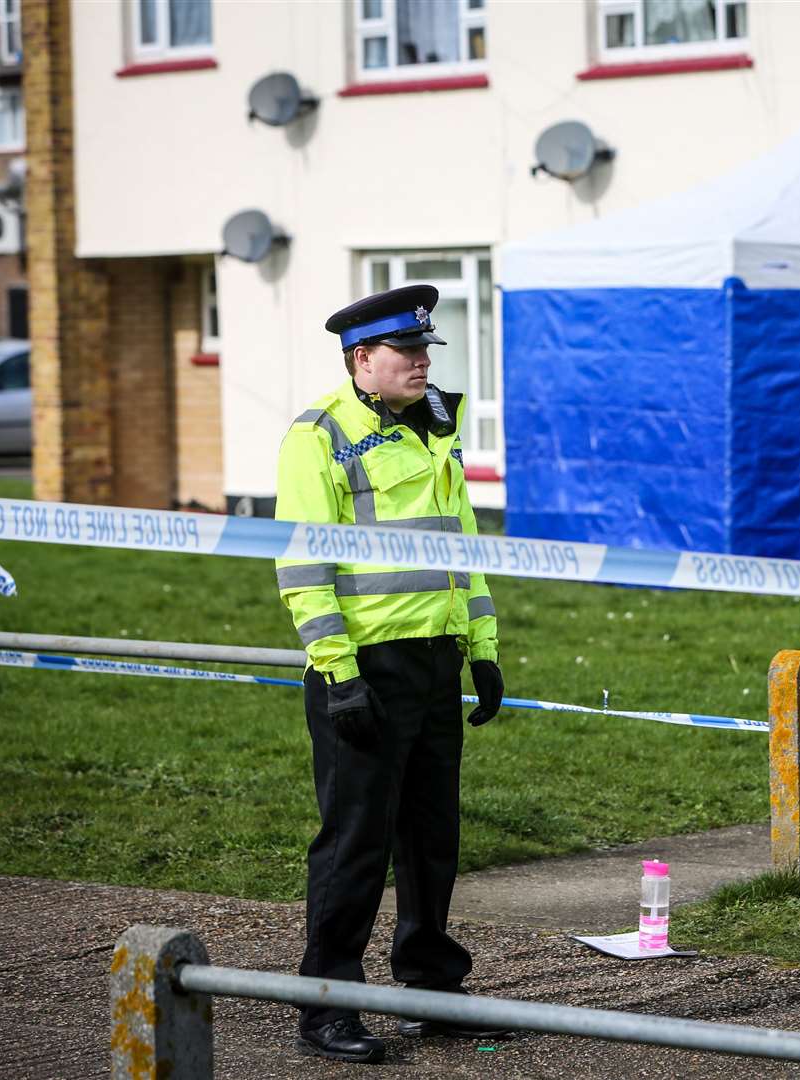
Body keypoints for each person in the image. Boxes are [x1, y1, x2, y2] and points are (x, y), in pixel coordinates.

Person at [274, 284, 507, 1063]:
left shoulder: (437, 424)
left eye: (425, 350)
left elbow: (462, 545)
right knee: (355, 843)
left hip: (436, 660)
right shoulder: (318, 436)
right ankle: (327, 1002)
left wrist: (483, 647)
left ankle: (434, 991)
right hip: (365, 669)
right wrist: (337, 672)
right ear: (360, 359)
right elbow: (304, 566)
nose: (421, 362)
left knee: (432, 838)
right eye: (406, 353)